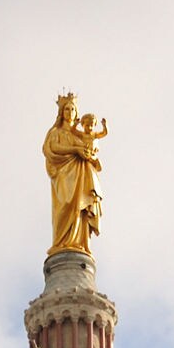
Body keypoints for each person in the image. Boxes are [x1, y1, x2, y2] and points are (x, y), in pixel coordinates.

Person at [42, 93, 106, 256]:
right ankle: (61, 242)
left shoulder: (80, 134)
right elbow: (52, 148)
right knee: (64, 206)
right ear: (62, 113)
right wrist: (75, 149)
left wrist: (89, 154)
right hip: (64, 174)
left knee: (81, 208)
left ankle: (80, 243)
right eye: (67, 109)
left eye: (72, 109)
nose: (70, 112)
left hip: (82, 175)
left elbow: (92, 148)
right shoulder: (56, 131)